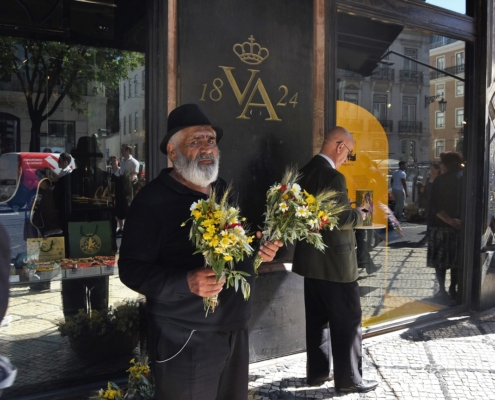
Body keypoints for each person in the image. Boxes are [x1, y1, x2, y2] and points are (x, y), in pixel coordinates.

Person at [118, 104, 282, 400]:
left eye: (211, 140)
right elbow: (130, 269)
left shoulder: (224, 191)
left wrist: (258, 254)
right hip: (184, 338)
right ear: (172, 151)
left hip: (235, 329)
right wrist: (186, 282)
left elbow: (234, 250)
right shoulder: (152, 200)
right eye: (195, 141)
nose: (207, 147)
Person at [292, 126, 378, 394]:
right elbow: (338, 219)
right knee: (348, 321)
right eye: (349, 153)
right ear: (340, 146)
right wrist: (361, 213)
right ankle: (349, 380)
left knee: (317, 320)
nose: (346, 158)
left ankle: (317, 374)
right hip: (337, 265)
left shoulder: (301, 172)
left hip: (310, 261)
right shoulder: (333, 177)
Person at [427, 152, 462, 304]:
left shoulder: (440, 180)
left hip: (440, 226)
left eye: (441, 163)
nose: (439, 165)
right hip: (460, 226)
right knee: (456, 261)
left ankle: (442, 290)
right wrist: (459, 221)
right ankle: (453, 289)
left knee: (440, 262)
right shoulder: (466, 178)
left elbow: (434, 205)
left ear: (446, 164)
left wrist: (448, 220)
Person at [115, 144, 140, 234]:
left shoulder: (134, 162)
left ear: (127, 151)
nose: (121, 152)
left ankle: (130, 227)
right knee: (121, 207)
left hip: (129, 188)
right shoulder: (122, 161)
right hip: (122, 186)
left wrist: (130, 183)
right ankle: (122, 227)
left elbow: (134, 175)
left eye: (123, 150)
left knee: (129, 207)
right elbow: (121, 172)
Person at [419, 162, 441, 245]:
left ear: (437, 169)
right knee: (429, 220)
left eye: (433, 169)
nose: (431, 170)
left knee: (435, 221)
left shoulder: (440, 178)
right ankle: (429, 236)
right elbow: (425, 189)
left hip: (437, 202)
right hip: (429, 202)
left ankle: (430, 237)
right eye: (430, 169)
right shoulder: (428, 179)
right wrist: (422, 189)